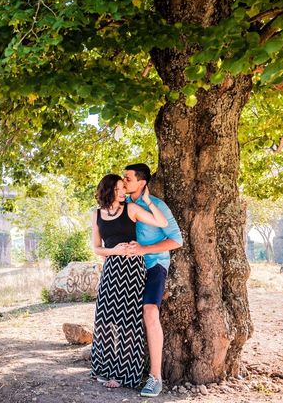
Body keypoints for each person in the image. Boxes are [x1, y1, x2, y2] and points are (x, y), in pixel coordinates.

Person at [90, 174, 168, 389]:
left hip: (132, 269)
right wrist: (112, 251)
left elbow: (161, 222)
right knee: (105, 319)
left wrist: (149, 200)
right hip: (111, 269)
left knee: (127, 323)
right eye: (118, 189)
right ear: (108, 191)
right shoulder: (96, 215)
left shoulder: (131, 210)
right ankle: (104, 369)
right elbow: (96, 248)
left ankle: (123, 375)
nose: (123, 192)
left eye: (123, 188)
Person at [123, 163, 183, 398]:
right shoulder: (123, 205)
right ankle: (123, 370)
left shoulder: (157, 206)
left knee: (149, 312)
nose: (124, 181)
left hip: (154, 265)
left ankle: (155, 378)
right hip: (129, 268)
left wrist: (145, 249)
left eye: (128, 178)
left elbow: (176, 240)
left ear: (141, 182)